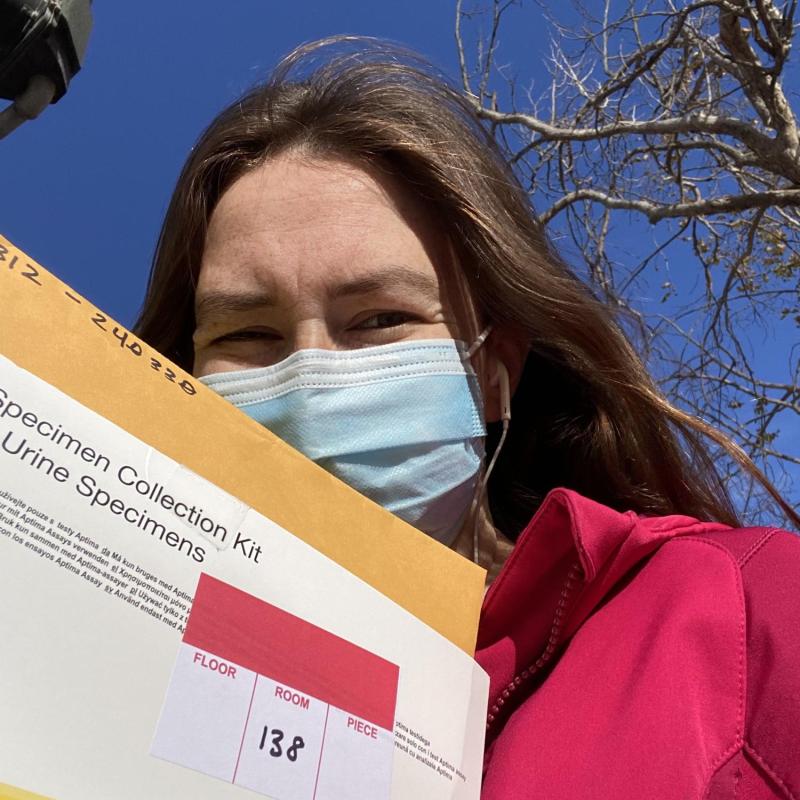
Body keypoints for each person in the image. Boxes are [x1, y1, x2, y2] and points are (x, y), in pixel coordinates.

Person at [134, 37, 800, 799]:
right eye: (246, 335)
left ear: (492, 374)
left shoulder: (751, 614)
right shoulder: (108, 658)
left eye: (381, 318)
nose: (309, 384)